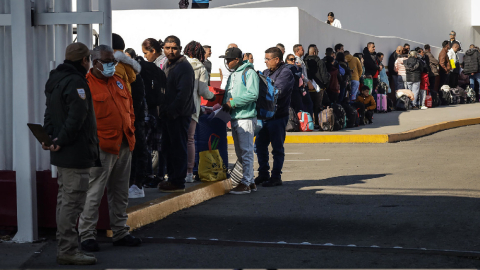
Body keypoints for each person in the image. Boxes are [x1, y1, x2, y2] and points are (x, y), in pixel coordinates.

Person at [78, 45, 141, 252]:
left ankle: (120, 231)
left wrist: (130, 128)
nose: (112, 66)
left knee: (120, 191)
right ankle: (86, 234)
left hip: (124, 142)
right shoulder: (86, 85)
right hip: (102, 146)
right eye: (107, 62)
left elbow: (129, 109)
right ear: (94, 63)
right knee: (94, 191)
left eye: (113, 62)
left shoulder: (118, 82)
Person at [43, 42, 98, 265]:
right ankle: (67, 249)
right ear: (84, 60)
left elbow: (49, 113)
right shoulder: (77, 82)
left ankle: (65, 246)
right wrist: (61, 140)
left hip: (62, 152)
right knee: (73, 203)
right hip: (75, 152)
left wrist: (50, 138)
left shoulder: (55, 80)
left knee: (64, 200)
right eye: (89, 60)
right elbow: (77, 117)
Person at [157, 36, 195, 192]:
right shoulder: (168, 64)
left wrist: (172, 111)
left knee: (178, 148)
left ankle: (177, 181)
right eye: (167, 48)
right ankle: (172, 178)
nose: (170, 51)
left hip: (179, 115)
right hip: (168, 114)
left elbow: (183, 94)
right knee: (168, 148)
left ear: (180, 49)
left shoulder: (184, 67)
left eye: (174, 48)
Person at [220, 47, 258, 194]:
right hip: (236, 118)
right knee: (241, 153)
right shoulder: (233, 74)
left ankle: (246, 183)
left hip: (246, 117)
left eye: (229, 60)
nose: (227, 62)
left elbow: (253, 94)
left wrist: (233, 103)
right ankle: (251, 181)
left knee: (246, 152)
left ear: (237, 60)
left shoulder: (248, 73)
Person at [255, 47, 294, 187]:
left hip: (278, 117)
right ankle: (263, 173)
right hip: (264, 116)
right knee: (260, 145)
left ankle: (276, 176)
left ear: (277, 59)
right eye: (265, 58)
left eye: (268, 59)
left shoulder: (286, 73)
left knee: (277, 148)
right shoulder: (266, 72)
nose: (265, 61)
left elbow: (277, 92)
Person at [183, 41, 215, 183]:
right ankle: (189, 172)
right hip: (192, 108)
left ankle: (177, 169)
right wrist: (212, 96)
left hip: (177, 107)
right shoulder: (200, 67)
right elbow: (203, 91)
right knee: (190, 140)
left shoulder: (179, 63)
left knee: (178, 140)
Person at [141, 38, 167, 188]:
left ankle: (155, 175)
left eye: (146, 53)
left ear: (153, 51)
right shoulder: (160, 64)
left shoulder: (159, 64)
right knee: (158, 145)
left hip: (156, 110)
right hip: (159, 110)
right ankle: (159, 174)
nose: (145, 56)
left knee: (153, 145)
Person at [304, 44, 330, 127]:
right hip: (319, 87)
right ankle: (317, 122)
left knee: (308, 104)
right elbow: (323, 74)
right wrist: (325, 84)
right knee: (317, 105)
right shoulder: (319, 61)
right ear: (314, 52)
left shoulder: (305, 61)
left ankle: (309, 121)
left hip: (308, 86)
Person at [293, 44, 314, 115]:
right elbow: (301, 74)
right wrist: (307, 82)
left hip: (303, 85)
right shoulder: (296, 60)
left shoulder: (300, 60)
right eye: (302, 50)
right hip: (302, 86)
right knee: (308, 104)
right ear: (297, 51)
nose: (304, 51)